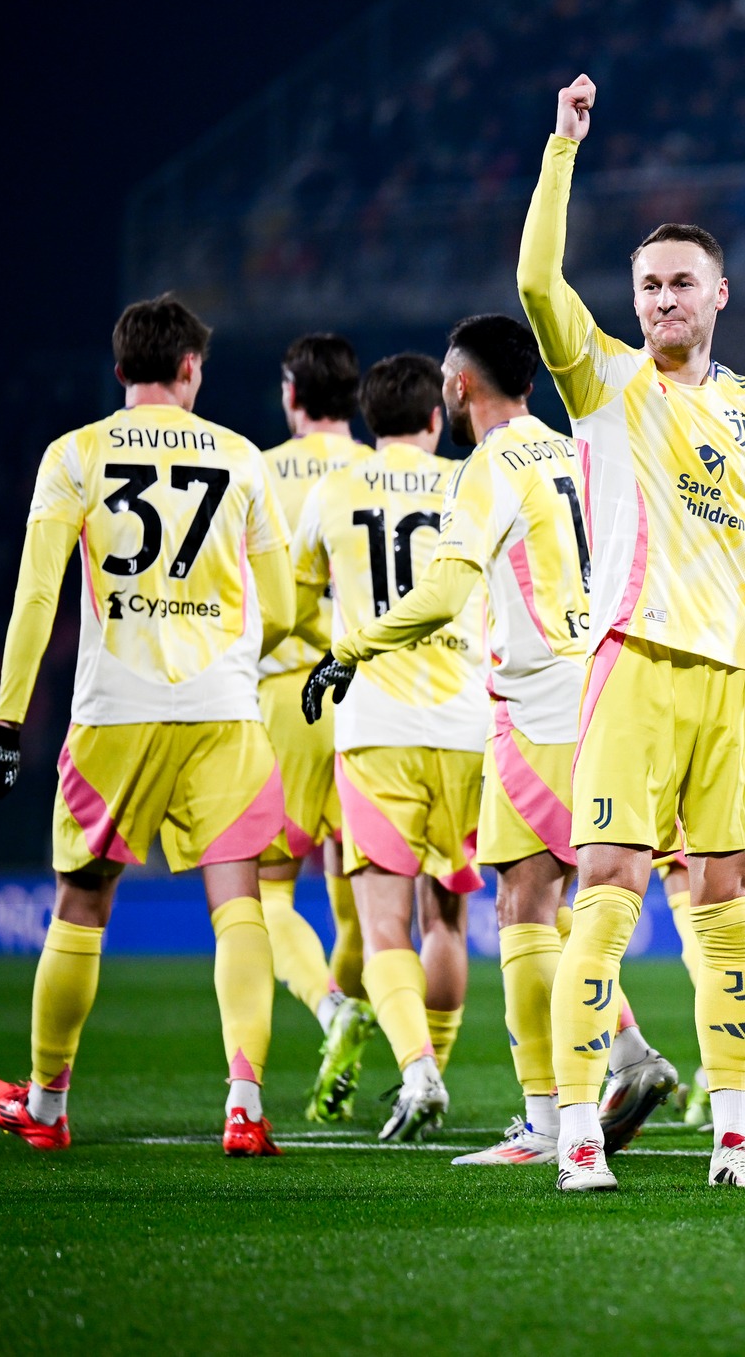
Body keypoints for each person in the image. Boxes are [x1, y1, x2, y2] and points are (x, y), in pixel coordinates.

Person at [517, 75, 745, 1192]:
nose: (662, 299)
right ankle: (579, 1131)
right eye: (647, 285)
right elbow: (536, 279)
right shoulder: (605, 384)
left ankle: (733, 1133)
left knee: (729, 906)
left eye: (681, 283)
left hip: (743, 687)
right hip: (633, 668)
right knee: (609, 888)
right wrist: (563, 149)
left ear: (721, 293)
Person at [303, 316, 680, 1167]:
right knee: (575, 899)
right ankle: (619, 1058)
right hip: (608, 695)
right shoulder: (581, 447)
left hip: (536, 707)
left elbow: (443, 590)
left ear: (460, 385)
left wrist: (350, 648)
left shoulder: (492, 463)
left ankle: (552, 1115)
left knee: (526, 904)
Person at [0, 295, 293, 1155]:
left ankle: (43, 1106)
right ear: (192, 367)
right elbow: (288, 604)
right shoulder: (241, 457)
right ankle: (245, 1102)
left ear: (121, 370)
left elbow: (37, 599)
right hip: (222, 711)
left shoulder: (73, 454)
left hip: (112, 709)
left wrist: (8, 724)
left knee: (80, 907)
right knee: (239, 911)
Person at [294, 352, 491, 1140]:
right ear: (438, 420)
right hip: (467, 721)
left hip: (374, 725)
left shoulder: (335, 488)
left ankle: (419, 1072)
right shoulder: (466, 483)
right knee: (447, 916)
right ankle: (433, 1071)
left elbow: (295, 591)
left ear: (371, 423)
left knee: (382, 924)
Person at [256, 333, 378, 1122]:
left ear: (292, 396)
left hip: (290, 689)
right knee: (358, 890)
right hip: (375, 695)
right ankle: (364, 1018)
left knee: (263, 885)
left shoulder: (258, 471)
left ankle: (333, 1006)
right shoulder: (385, 470)